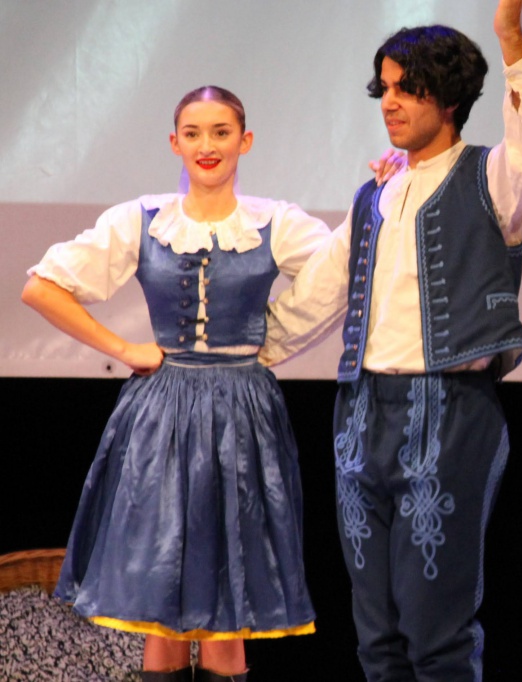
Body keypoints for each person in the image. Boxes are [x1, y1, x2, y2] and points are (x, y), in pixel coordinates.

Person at [258, 1, 522, 680]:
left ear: (448, 99)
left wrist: (511, 37)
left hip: (448, 409)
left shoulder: (492, 178)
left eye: (408, 88)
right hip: (362, 411)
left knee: (436, 631)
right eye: (386, 88)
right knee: (377, 634)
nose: (389, 102)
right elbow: (320, 294)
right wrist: (239, 354)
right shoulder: (374, 195)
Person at [21, 86, 333, 682]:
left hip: (242, 414)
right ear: (175, 143)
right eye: (193, 133)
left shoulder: (275, 223)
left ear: (244, 141)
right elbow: (41, 287)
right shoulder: (142, 220)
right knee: (157, 603)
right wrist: (124, 349)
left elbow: (343, 278)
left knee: (227, 605)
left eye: (221, 132)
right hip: (161, 415)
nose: (206, 145)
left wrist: (273, 342)